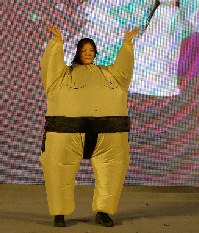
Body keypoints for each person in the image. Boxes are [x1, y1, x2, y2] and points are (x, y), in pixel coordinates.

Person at [40, 24, 139, 227]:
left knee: (112, 171)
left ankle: (104, 212)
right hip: (66, 133)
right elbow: (50, 67)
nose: (88, 53)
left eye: (91, 50)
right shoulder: (62, 75)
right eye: (84, 50)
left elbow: (124, 70)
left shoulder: (109, 74)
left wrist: (127, 45)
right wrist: (56, 43)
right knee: (58, 172)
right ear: (78, 52)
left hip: (109, 135)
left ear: (95, 53)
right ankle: (59, 214)